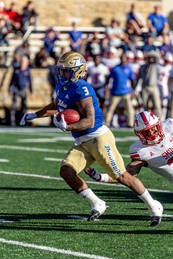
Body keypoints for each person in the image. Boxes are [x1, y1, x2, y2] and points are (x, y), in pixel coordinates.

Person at [20, 51, 163, 226]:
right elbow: (58, 106)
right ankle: (97, 203)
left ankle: (154, 205)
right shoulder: (62, 86)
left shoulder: (82, 88)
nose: (62, 74)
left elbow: (89, 120)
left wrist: (68, 127)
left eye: (66, 71)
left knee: (122, 177)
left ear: (77, 71)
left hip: (98, 138)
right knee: (67, 171)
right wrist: (35, 115)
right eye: (61, 70)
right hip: (82, 141)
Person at [86, 111, 173, 190]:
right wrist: (101, 177)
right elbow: (126, 175)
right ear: (139, 134)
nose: (151, 134)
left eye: (153, 129)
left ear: (159, 125)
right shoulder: (140, 151)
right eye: (146, 132)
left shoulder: (170, 125)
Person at [105, 52, 136, 128]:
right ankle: (107, 123)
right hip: (115, 92)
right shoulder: (115, 68)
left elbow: (132, 79)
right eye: (122, 58)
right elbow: (109, 77)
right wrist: (106, 86)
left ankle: (130, 123)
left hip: (126, 92)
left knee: (129, 109)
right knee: (111, 109)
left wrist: (133, 90)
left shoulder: (128, 68)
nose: (123, 60)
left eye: (124, 58)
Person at [9, 55, 33, 126]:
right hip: (16, 89)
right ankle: (12, 121)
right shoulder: (16, 70)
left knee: (24, 106)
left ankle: (22, 121)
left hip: (23, 90)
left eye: (24, 62)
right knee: (14, 106)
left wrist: (31, 91)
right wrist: (9, 89)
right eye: (22, 61)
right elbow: (11, 80)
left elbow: (30, 82)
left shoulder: (27, 71)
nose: (22, 63)